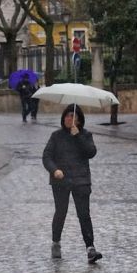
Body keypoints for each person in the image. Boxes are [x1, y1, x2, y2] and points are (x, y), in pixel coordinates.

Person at [42, 104, 102, 263]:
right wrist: (54, 170)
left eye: (73, 116)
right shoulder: (56, 136)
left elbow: (91, 152)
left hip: (81, 180)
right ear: (63, 118)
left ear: (79, 120)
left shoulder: (86, 135)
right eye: (67, 116)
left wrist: (78, 137)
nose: (70, 118)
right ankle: (56, 242)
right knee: (60, 212)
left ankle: (90, 248)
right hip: (60, 180)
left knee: (84, 214)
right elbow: (46, 156)